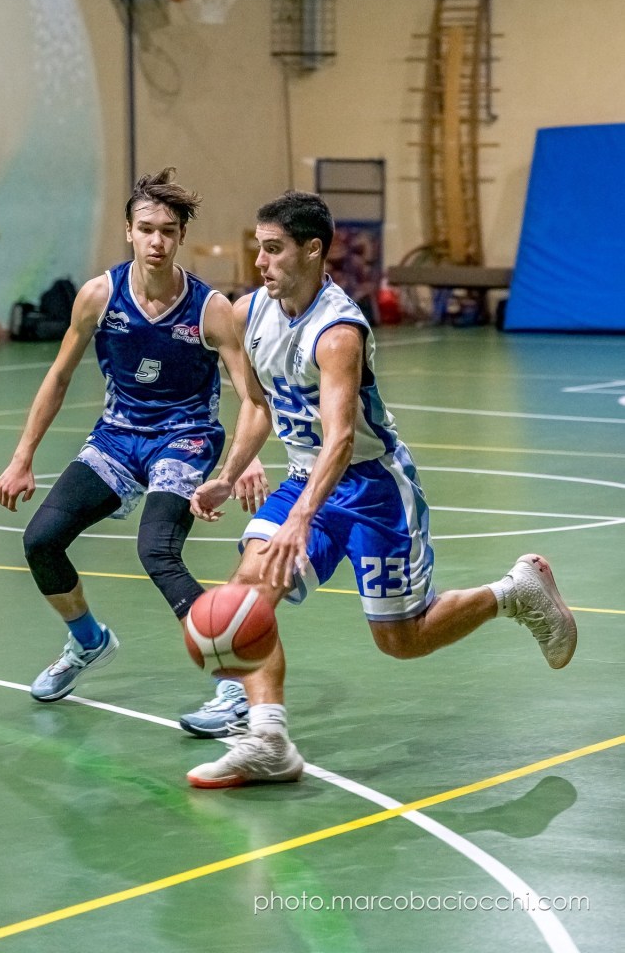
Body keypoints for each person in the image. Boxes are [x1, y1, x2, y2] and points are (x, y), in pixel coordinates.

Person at [186, 189, 577, 788]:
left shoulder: (337, 332)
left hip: (373, 490)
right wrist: (229, 473)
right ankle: (268, 740)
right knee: (249, 593)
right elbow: (259, 405)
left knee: (402, 639)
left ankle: (514, 592)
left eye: (273, 249)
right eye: (258, 248)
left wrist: (300, 520)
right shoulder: (248, 313)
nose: (259, 261)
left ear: (313, 250)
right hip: (305, 479)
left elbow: (341, 440)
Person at [0, 168, 268, 702]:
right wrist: (22, 456)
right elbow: (59, 376)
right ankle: (88, 642)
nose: (156, 241)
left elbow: (252, 397)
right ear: (129, 232)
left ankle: (234, 680)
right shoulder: (100, 296)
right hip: (117, 438)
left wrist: (245, 460)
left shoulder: (210, 309)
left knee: (157, 550)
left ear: (181, 236)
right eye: (146, 229)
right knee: (41, 541)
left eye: (167, 231)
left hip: (185, 437)